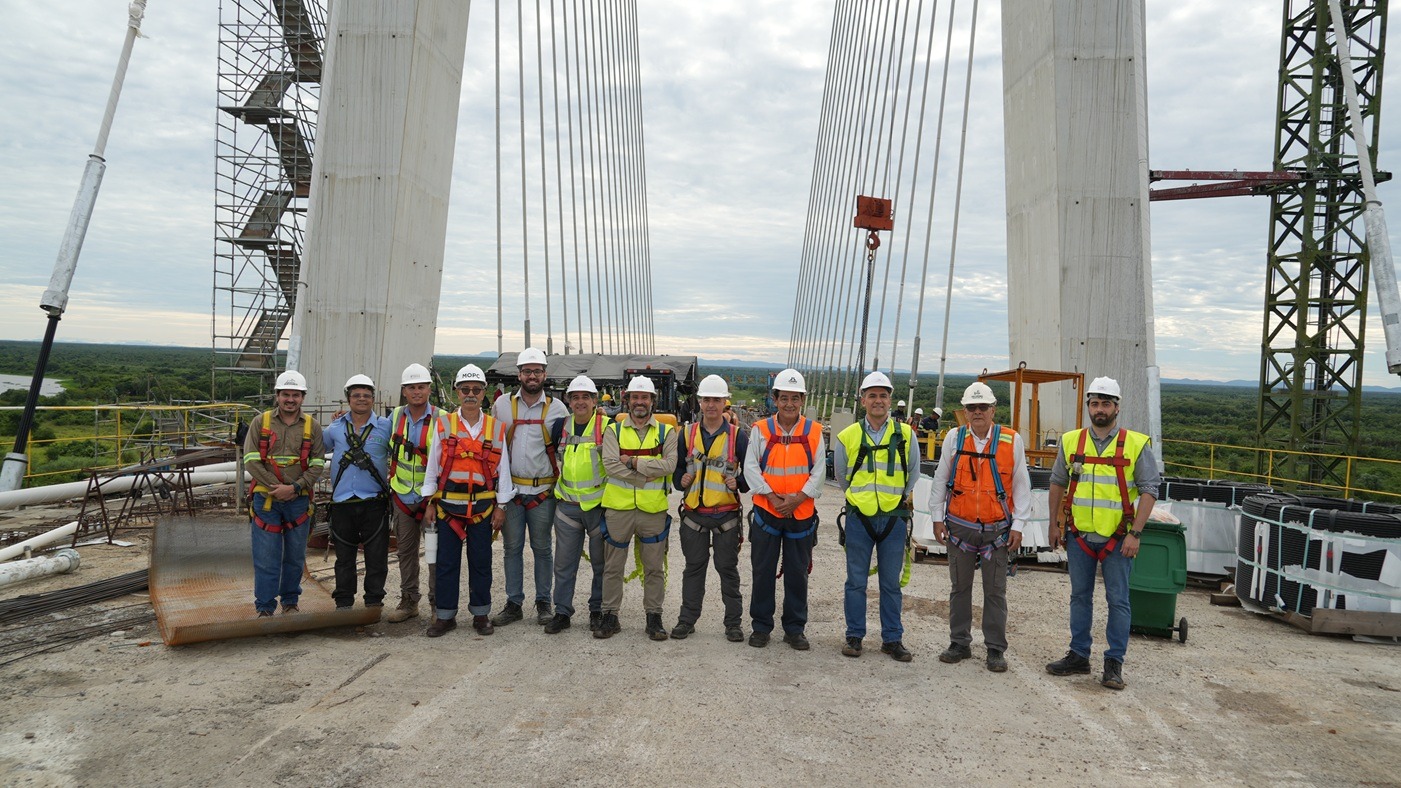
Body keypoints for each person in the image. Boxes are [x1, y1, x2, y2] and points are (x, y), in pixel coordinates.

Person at [1046, 376, 1160, 690]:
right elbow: (1057, 482)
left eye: (1106, 404)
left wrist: (1136, 533)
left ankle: (1114, 663)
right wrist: (1054, 524)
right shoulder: (1072, 441)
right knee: (1079, 597)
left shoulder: (1135, 444)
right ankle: (1079, 655)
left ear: (1116, 407)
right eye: (1095, 403)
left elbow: (1150, 489)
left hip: (1118, 539)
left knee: (1118, 600)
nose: (1100, 409)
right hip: (1080, 536)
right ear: (1088, 406)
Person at [928, 382, 1032, 672]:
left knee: (995, 591)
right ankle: (959, 642)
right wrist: (936, 517)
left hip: (996, 531)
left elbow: (1021, 485)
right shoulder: (954, 438)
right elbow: (941, 479)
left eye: (982, 407)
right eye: (971, 407)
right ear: (965, 411)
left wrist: (1018, 525)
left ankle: (995, 648)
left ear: (992, 410)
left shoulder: (1011, 440)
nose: (977, 412)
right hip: (960, 528)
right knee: (960, 587)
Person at [420, 364, 514, 637]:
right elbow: (433, 466)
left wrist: (501, 506)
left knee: (481, 562)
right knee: (446, 563)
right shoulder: (444, 425)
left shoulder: (496, 428)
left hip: (483, 508)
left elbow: (503, 470)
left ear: (484, 393)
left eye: (476, 389)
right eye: (465, 389)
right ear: (457, 392)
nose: (470, 394)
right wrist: (429, 502)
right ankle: (445, 616)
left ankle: (481, 614)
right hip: (448, 507)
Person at [833, 371, 920, 661]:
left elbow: (913, 473)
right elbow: (841, 476)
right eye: (872, 395)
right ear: (863, 400)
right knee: (856, 581)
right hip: (860, 518)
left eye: (883, 395)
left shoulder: (906, 435)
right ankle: (854, 636)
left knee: (890, 584)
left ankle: (892, 639)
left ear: (890, 400)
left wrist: (896, 499)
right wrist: (859, 499)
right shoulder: (848, 436)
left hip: (894, 518)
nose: (878, 400)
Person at [743, 368, 823, 650]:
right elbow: (750, 468)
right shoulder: (761, 430)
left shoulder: (814, 432)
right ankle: (761, 627)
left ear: (802, 400)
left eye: (795, 398)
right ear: (775, 399)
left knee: (797, 573)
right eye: (784, 398)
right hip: (768, 511)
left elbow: (819, 472)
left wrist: (797, 499)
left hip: (800, 514)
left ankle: (794, 628)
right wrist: (773, 498)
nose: (790, 404)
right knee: (763, 571)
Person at [595, 375, 678, 640]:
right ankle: (610, 615)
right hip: (618, 509)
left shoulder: (666, 432)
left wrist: (631, 462)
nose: (639, 402)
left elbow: (670, 465)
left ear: (653, 400)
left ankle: (654, 617)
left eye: (644, 397)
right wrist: (644, 476)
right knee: (613, 566)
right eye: (635, 397)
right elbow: (610, 465)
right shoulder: (614, 430)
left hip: (652, 511)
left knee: (654, 567)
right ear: (627, 400)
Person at [490, 347, 568, 627]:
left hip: (542, 493)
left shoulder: (558, 409)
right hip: (511, 492)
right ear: (519, 374)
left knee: (542, 548)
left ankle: (543, 602)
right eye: (527, 371)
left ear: (544, 374)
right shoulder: (502, 406)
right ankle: (514, 603)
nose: (532, 376)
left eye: (537, 371)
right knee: (512, 548)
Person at [672, 374, 749, 643]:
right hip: (694, 515)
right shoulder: (687, 434)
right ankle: (687, 620)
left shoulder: (737, 436)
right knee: (693, 569)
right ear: (700, 402)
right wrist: (680, 481)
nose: (711, 405)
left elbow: (751, 473)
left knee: (727, 570)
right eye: (706, 400)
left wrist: (739, 482)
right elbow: (677, 469)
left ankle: (733, 624)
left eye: (716, 400)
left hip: (725, 514)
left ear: (725, 402)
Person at [244, 370, 325, 616]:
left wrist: (295, 488)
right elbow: (250, 460)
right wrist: (276, 488)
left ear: (303, 397)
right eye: (286, 394)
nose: (290, 399)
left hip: (298, 501)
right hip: (266, 501)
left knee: (295, 556)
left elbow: (317, 464)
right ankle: (265, 607)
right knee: (266, 556)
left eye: (296, 395)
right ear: (277, 395)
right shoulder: (261, 423)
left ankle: (290, 602)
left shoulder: (312, 426)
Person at [544, 375, 609, 634]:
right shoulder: (560, 426)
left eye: (585, 397)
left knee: (601, 565)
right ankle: (562, 612)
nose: (580, 402)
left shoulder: (608, 427)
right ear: (568, 401)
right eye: (575, 397)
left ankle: (597, 610)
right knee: (564, 564)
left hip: (599, 507)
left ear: (594, 401)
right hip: (568, 507)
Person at [323, 374, 393, 610]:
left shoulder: (385, 426)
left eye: (366, 395)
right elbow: (317, 448)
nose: (361, 399)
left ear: (373, 398)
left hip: (374, 501)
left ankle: (374, 601)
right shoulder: (335, 427)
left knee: (377, 556)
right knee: (344, 557)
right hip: (342, 502)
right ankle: (344, 603)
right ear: (348, 399)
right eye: (356, 395)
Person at [386, 363, 440, 623]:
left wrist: (435, 499)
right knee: (405, 553)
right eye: (411, 387)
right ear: (404, 391)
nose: (417, 392)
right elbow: (372, 433)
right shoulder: (395, 417)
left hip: (431, 500)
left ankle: (437, 604)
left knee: (434, 554)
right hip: (403, 497)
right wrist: (345, 418)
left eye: (421, 387)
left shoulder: (442, 418)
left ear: (429, 390)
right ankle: (409, 601)